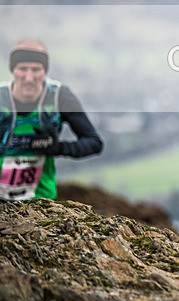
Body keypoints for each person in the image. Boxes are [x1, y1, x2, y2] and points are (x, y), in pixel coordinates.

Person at [0, 39, 103, 201]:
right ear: (13, 70)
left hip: (42, 200)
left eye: (36, 69)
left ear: (45, 71)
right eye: (22, 69)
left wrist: (57, 147)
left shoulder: (59, 97)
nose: (29, 77)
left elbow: (94, 143)